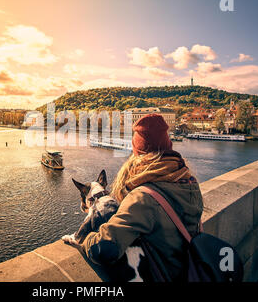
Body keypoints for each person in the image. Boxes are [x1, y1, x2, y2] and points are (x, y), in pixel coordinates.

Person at [80, 113, 203, 281]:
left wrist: (86, 238)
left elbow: (104, 248)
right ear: (169, 147)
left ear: (137, 153)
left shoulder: (143, 198)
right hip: (189, 271)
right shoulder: (189, 182)